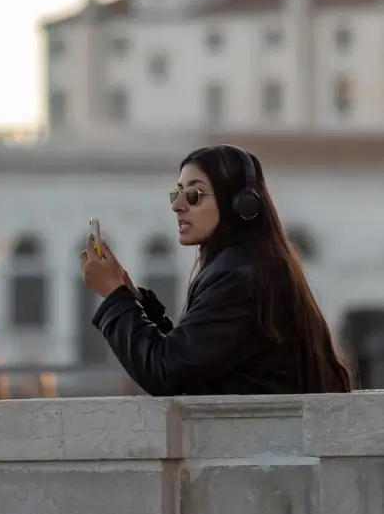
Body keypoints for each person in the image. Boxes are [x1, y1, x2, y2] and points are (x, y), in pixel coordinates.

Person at [80, 144, 353, 396]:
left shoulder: (239, 276)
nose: (177, 206)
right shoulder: (245, 266)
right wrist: (135, 303)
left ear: (240, 203)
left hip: (258, 444)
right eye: (177, 193)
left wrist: (115, 296)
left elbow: (165, 372)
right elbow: (193, 359)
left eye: (194, 194)